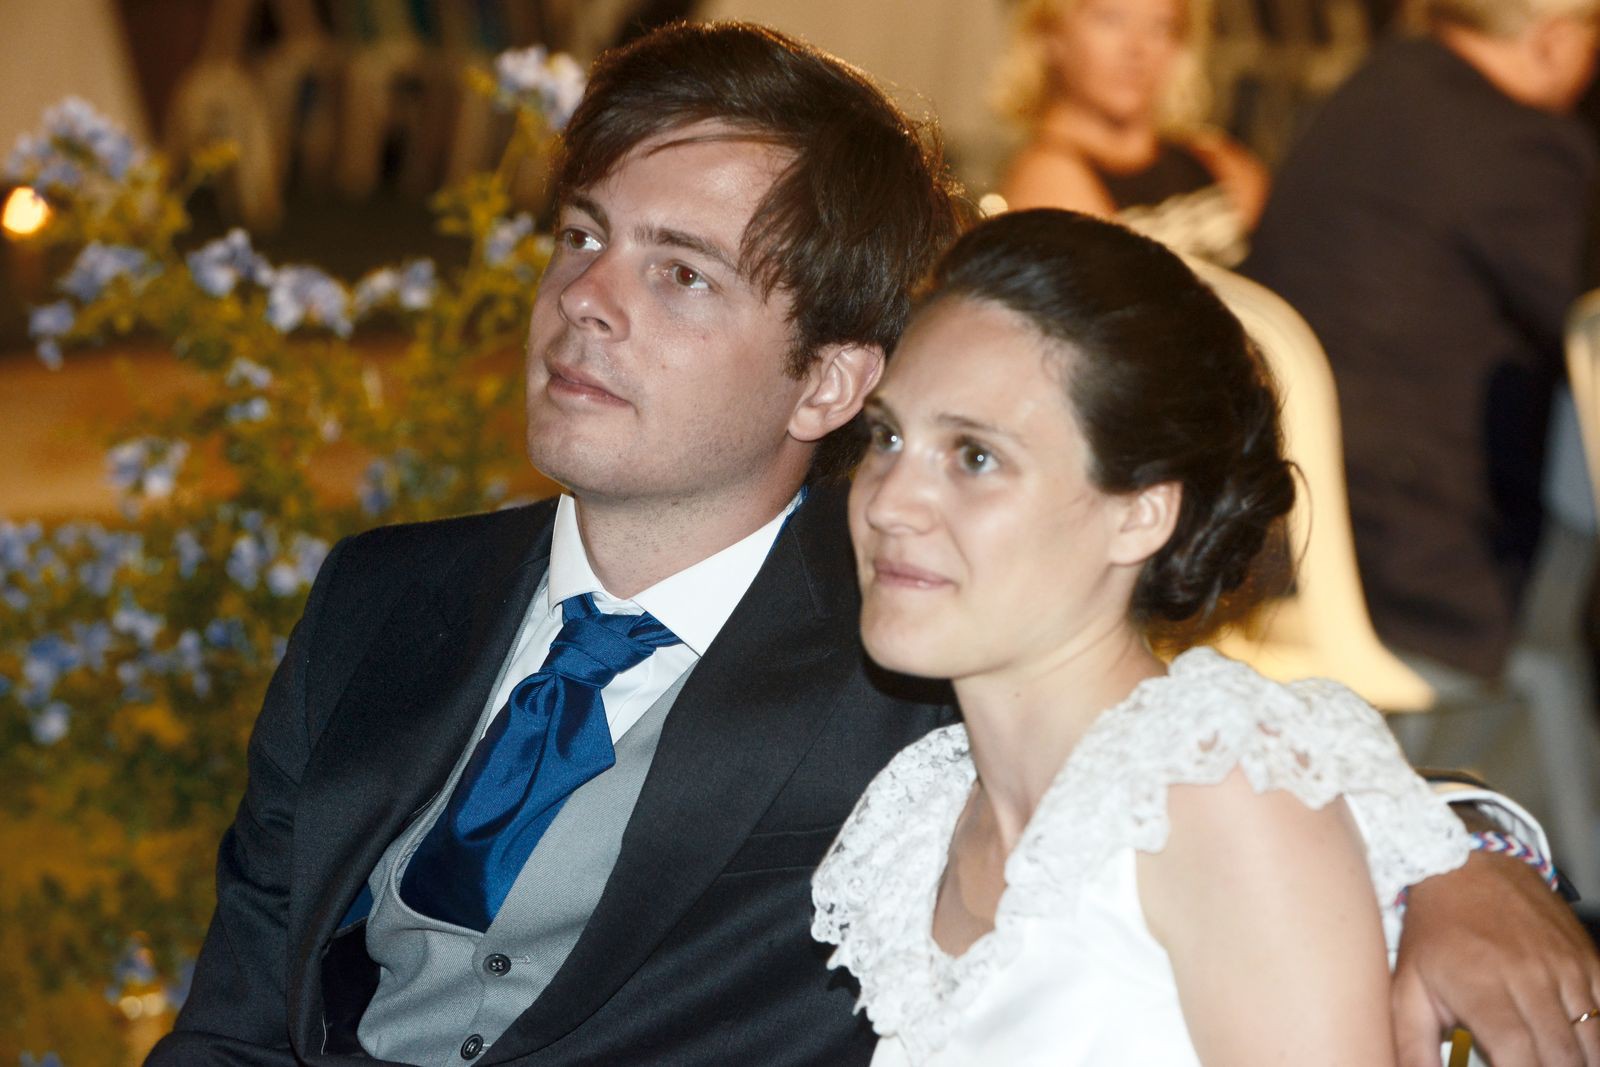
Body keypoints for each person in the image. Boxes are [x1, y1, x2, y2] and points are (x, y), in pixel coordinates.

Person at [149, 20, 1599, 1067]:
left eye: (680, 273)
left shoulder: (909, 635)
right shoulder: (380, 598)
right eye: (583, 236)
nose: (587, 298)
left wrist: (1470, 857)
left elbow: (1191, 764)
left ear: (828, 381)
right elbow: (237, 1013)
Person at [811, 208, 1590, 1066]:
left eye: (975, 456)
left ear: (1141, 513)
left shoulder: (1215, 795)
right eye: (888, 436)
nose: (888, 501)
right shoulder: (925, 817)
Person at [1244, 0, 1599, 687]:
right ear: (1554, 41)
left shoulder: (1375, 88)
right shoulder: (1515, 142)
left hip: (1290, 525)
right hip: (1413, 567)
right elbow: (1586, 314)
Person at [995, 0, 1267, 266]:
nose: (1136, 48)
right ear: (1050, 34)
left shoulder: (1214, 157)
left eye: (1161, 25)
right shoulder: (1049, 180)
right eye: (1111, 19)